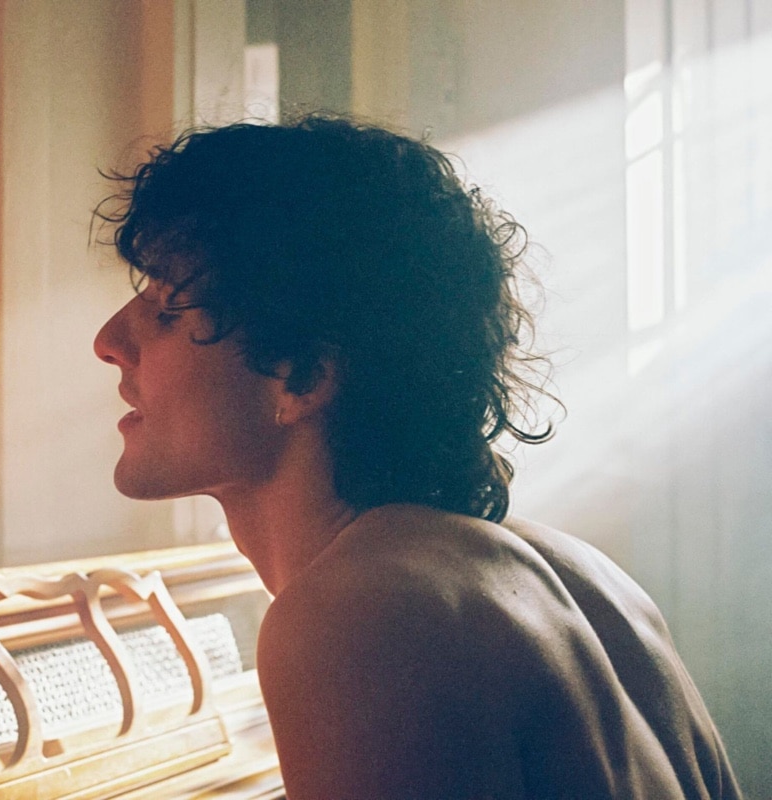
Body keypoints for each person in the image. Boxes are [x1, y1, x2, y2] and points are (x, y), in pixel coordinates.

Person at [93, 114, 742, 800]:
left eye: (167, 310)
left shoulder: (359, 615)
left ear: (303, 375)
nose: (109, 342)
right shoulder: (593, 579)